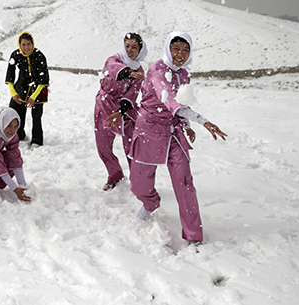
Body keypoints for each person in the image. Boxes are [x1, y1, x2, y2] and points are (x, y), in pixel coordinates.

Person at [128, 32, 227, 244]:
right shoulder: (157, 71)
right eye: (176, 49)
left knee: (185, 183)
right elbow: (170, 100)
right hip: (150, 130)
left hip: (174, 132)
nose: (180, 54)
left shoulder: (183, 75)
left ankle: (193, 236)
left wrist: (187, 124)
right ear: (168, 49)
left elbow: (180, 104)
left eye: (185, 50)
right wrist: (204, 121)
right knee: (139, 184)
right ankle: (150, 204)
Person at [96, 33, 147, 191]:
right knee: (103, 145)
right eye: (127, 46)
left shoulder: (139, 70)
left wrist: (120, 111)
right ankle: (115, 174)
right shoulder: (114, 60)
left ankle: (138, 180)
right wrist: (129, 73)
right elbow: (112, 70)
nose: (130, 50)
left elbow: (133, 93)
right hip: (103, 105)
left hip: (125, 109)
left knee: (131, 146)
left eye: (134, 47)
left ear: (140, 50)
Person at [5, 31, 49, 146]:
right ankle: (18, 135)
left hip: (38, 89)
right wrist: (14, 93)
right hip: (21, 86)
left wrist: (34, 97)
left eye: (29, 44)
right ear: (19, 45)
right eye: (23, 44)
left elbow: (43, 79)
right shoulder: (15, 55)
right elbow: (10, 76)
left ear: (32, 43)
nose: (26, 47)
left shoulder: (39, 55)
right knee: (14, 112)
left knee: (36, 116)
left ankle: (37, 140)